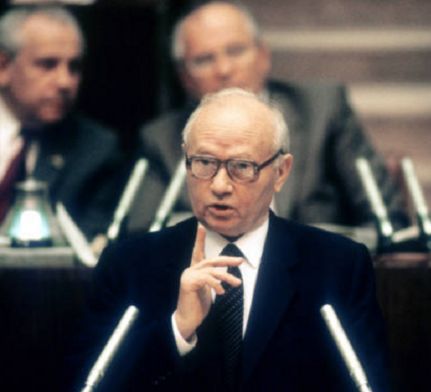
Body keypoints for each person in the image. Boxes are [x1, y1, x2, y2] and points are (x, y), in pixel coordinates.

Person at [77, 88, 390, 391]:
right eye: (204, 163)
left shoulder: (337, 267)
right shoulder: (129, 265)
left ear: (281, 172)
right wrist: (177, 330)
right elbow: (92, 383)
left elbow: (368, 383)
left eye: (242, 167)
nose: (220, 185)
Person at [128, 0, 407, 233]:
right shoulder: (161, 138)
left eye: (235, 51)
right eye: (204, 60)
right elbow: (142, 233)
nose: (223, 69)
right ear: (184, 78)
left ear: (263, 55)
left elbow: (387, 222)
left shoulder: (322, 109)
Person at [0, 5, 123, 238]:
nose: (65, 82)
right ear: (3, 67)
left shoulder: (96, 149)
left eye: (74, 67)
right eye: (48, 65)